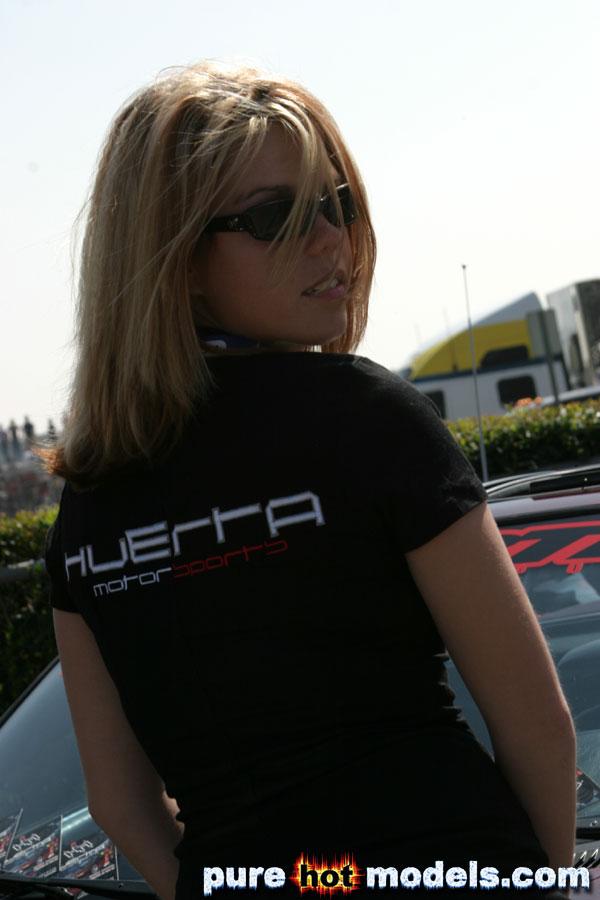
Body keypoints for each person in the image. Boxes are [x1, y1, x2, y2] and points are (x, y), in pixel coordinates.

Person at [40, 61, 576, 900]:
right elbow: (539, 727)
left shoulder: (90, 502)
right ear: (173, 258)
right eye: (275, 217)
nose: (330, 238)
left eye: (338, 202)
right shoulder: (369, 418)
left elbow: (117, 803)